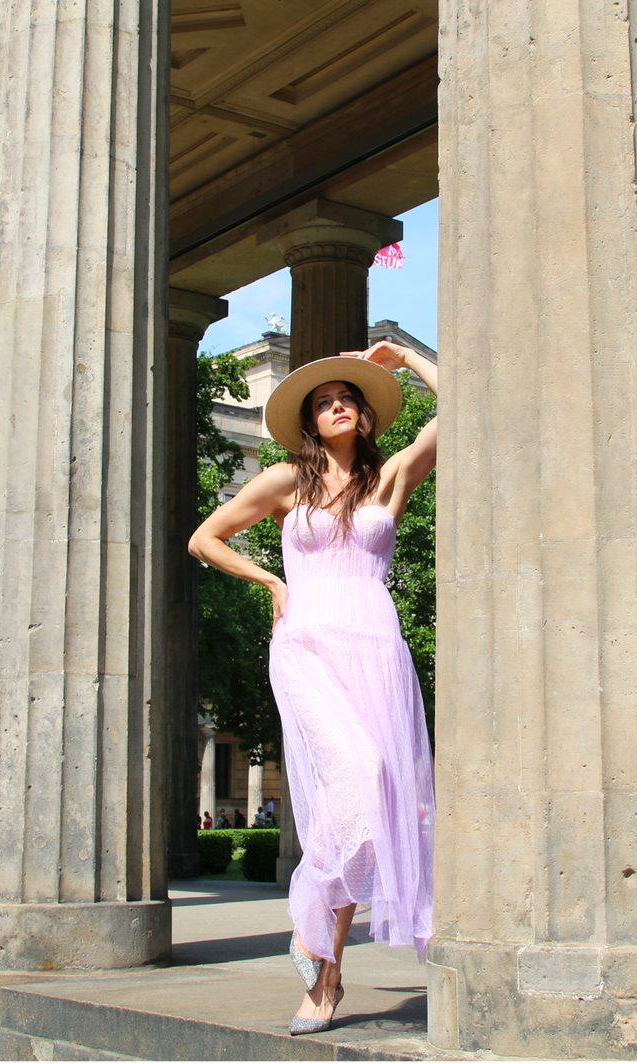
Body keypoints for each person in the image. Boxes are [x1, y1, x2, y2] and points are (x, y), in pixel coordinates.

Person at [189, 341, 437, 1035]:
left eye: (349, 398)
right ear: (310, 419)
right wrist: (269, 580)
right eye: (326, 401)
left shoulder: (388, 481)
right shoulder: (283, 482)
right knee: (354, 777)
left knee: (371, 798)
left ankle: (323, 975)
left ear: (362, 416)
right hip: (306, 646)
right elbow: (205, 538)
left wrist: (406, 357)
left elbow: (462, 407)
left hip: (376, 647)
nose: (339, 406)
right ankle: (315, 947)